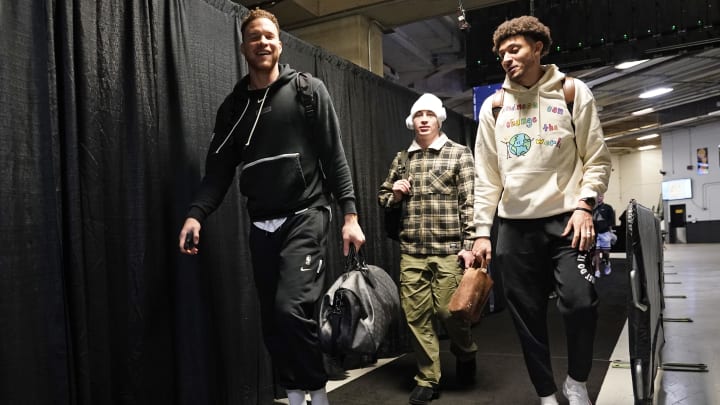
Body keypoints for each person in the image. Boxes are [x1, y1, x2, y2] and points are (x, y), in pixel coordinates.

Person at [177, 9, 365, 405]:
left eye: (269, 36)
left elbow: (335, 157)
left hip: (306, 215)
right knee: (272, 321)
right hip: (262, 224)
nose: (262, 42)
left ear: (279, 44)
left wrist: (350, 215)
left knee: (290, 309)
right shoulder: (234, 108)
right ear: (244, 47)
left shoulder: (307, 91)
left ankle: (317, 392)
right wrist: (196, 213)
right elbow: (218, 171)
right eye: (254, 37)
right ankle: (295, 395)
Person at [471, 16, 611, 405]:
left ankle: (577, 381)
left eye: (514, 49)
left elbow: (597, 158)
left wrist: (585, 205)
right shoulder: (494, 108)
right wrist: (482, 231)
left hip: (568, 222)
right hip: (514, 228)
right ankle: (546, 393)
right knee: (527, 319)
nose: (506, 59)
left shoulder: (571, 92)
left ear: (538, 48)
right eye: (501, 54)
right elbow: (487, 178)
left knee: (581, 303)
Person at [378, 93, 478, 405]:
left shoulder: (459, 154)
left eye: (429, 114)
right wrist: (394, 193)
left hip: (449, 250)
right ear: (412, 122)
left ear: (439, 120)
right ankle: (427, 377)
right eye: (418, 114)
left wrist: (470, 245)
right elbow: (383, 196)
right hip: (412, 250)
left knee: (447, 311)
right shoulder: (402, 160)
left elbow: (470, 202)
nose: (423, 119)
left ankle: (465, 352)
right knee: (416, 316)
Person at [593, 194, 616, 278]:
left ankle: (607, 263)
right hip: (595, 234)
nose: (599, 198)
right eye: (597, 196)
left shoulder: (608, 207)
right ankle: (597, 270)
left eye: (600, 196)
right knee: (596, 252)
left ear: (603, 197)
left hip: (605, 233)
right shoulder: (593, 208)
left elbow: (611, 221)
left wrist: (610, 233)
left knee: (605, 253)